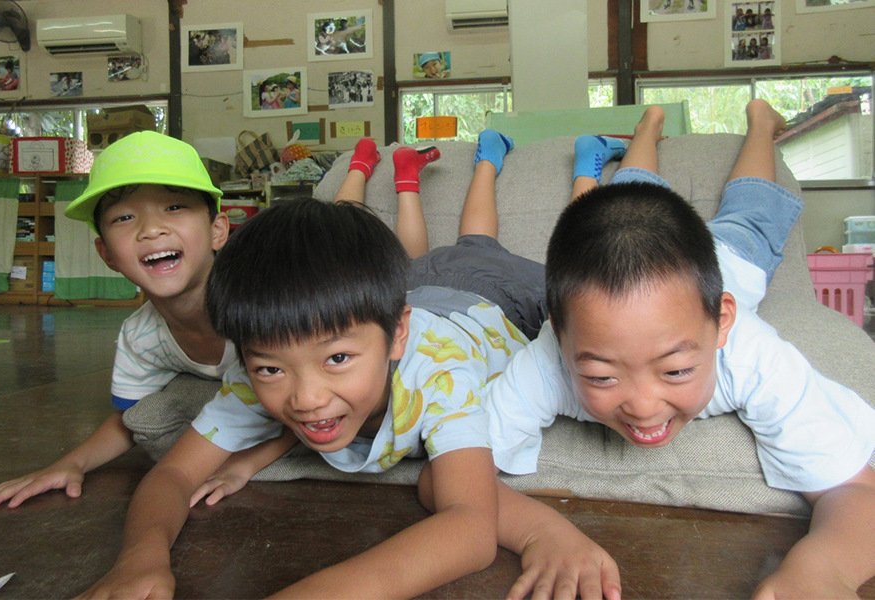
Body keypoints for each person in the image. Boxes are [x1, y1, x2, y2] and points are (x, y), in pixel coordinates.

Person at [75, 133, 618, 599]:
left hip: (498, 295)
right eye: (271, 370)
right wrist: (139, 560)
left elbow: (468, 527)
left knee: (547, 278)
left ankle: (512, 162)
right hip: (418, 285)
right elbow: (172, 473)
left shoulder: (442, 374)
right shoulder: (261, 353)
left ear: (395, 336)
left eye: (337, 359)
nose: (306, 399)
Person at [483, 100, 875, 597]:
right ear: (558, 335)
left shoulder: (751, 354)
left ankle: (759, 123)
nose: (644, 408)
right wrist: (541, 532)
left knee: (751, 211)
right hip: (663, 261)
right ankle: (649, 125)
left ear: (722, 323)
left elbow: (853, 487)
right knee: (631, 194)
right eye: (603, 376)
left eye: (676, 371)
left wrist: (822, 571)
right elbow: (454, 474)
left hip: (732, 259)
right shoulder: (547, 360)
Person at [0, 132, 296, 510]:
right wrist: (71, 463)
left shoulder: (263, 306)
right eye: (125, 217)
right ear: (107, 254)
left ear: (218, 230)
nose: (151, 229)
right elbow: (130, 417)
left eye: (174, 207)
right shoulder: (141, 335)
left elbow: (312, 395)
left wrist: (246, 463)